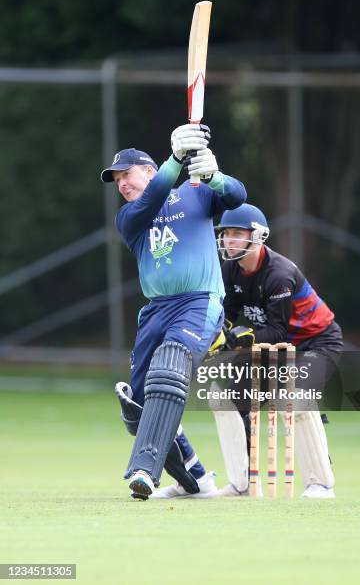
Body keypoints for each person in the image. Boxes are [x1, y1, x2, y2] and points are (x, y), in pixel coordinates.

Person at [100, 123, 246, 500]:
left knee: (169, 367)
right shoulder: (130, 217)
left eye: (126, 175)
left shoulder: (194, 194)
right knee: (137, 405)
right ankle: (194, 478)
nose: (122, 185)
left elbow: (237, 197)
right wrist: (176, 159)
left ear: (148, 171)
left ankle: (143, 472)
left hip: (198, 301)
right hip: (156, 309)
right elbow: (152, 200)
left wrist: (214, 177)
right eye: (116, 181)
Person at [211, 203, 343, 499]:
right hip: (279, 346)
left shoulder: (279, 274)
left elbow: (279, 331)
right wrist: (216, 337)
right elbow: (227, 313)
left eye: (236, 234)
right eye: (225, 234)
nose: (228, 240)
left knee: (292, 397)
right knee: (223, 394)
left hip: (318, 341)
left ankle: (320, 483)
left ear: (257, 236)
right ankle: (241, 484)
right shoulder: (231, 269)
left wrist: (243, 338)